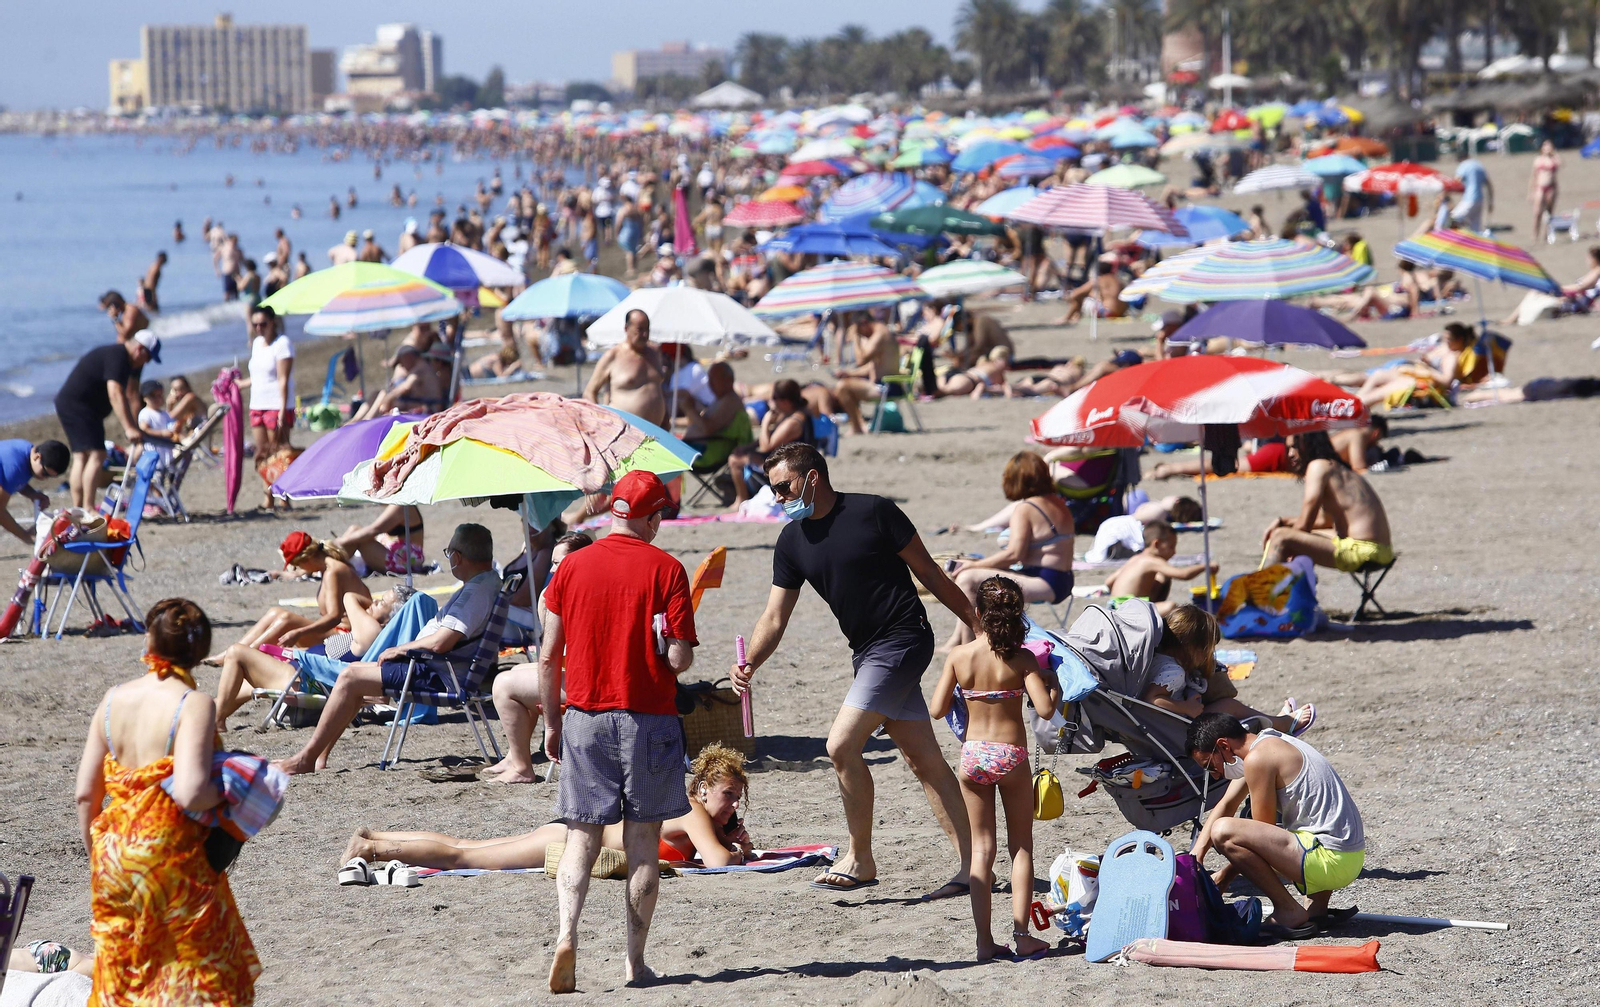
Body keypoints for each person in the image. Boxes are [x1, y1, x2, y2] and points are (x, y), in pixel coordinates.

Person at [732, 442, 976, 899]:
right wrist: (749, 663)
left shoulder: (875, 512)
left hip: (904, 639)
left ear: (812, 478)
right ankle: (974, 867)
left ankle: (860, 858)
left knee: (841, 745)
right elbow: (773, 617)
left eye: (783, 487)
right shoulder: (791, 541)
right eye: (773, 490)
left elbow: (932, 575)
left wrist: (980, 628)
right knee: (924, 760)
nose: (778, 497)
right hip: (866, 653)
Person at [539, 471, 697, 992]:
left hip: (584, 716)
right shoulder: (668, 569)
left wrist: (552, 721)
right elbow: (678, 660)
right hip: (647, 719)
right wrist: (662, 638)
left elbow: (548, 655)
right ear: (652, 517)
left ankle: (566, 934)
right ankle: (635, 963)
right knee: (643, 843)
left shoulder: (574, 565)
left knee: (580, 837)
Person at [74, 598, 259, 1003]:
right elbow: (192, 789)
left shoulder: (111, 699)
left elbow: (86, 794)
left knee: (128, 972)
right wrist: (229, 792)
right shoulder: (194, 703)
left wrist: (98, 856)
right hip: (166, 855)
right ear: (199, 652)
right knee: (203, 973)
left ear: (150, 641)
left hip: (114, 855)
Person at [342, 743, 753, 884]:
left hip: (570, 834)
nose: (732, 804)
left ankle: (375, 837)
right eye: (728, 794)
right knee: (465, 857)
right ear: (701, 788)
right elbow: (717, 865)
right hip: (568, 841)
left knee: (468, 847)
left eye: (737, 797)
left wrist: (727, 840)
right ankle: (373, 849)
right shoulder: (695, 809)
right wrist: (737, 852)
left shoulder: (691, 812)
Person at [275, 523, 502, 775]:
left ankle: (307, 757)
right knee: (354, 673)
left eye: (449, 553)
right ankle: (318, 756)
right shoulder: (487, 584)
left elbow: (441, 642)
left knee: (350, 676)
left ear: (457, 557)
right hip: (437, 668)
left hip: (436, 674)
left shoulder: (475, 594)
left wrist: (402, 648)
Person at [928, 577, 1058, 962]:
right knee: (1020, 848)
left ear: (979, 615)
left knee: (982, 849)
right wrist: (1051, 684)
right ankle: (1022, 935)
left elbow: (935, 710)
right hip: (1010, 754)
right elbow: (1046, 710)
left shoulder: (959, 656)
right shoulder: (1023, 658)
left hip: (973, 755)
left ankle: (984, 942)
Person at [1187, 712, 1365, 934]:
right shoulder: (1269, 743)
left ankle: (1288, 910)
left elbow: (1262, 837)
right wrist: (1195, 858)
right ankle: (1316, 909)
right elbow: (1227, 803)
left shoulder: (1258, 759)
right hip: (1349, 855)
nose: (1214, 776)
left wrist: (1224, 876)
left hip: (1331, 861)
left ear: (1223, 745)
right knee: (1300, 825)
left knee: (1223, 830)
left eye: (1209, 766)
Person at [210, 584, 419, 726]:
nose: (373, 602)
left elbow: (349, 596)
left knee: (237, 652)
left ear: (394, 617)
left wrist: (367, 606)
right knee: (235, 691)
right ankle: (212, 720)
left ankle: (217, 721)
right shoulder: (371, 631)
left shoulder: (372, 631)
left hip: (305, 680)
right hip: (299, 673)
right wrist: (378, 605)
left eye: (381, 603)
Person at [943, 452, 1075, 649]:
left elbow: (1015, 554)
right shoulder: (1058, 502)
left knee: (967, 578)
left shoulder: (1026, 508)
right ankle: (956, 642)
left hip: (1045, 582)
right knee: (970, 577)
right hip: (1062, 579)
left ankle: (971, 647)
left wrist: (975, 564)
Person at [207, 530, 369, 658]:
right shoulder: (329, 568)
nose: (299, 570)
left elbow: (333, 617)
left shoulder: (334, 572)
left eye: (297, 565)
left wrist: (299, 632)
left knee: (287, 619)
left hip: (347, 638)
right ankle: (232, 652)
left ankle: (241, 655)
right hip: (337, 633)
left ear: (307, 559)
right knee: (275, 612)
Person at [1261, 432, 1393, 574]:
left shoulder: (1318, 466)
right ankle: (1290, 587)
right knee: (1289, 535)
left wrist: (1282, 535)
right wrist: (1283, 522)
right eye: (1288, 449)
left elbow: (1305, 524)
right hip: (1382, 550)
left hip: (1363, 551)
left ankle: (1258, 590)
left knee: (1281, 537)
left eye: (1295, 447)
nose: (1291, 454)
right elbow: (1325, 521)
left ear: (1308, 444)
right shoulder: (1337, 467)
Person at [54, 331, 158, 509]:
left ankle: (79, 508)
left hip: (74, 405)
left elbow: (127, 394)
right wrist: (129, 427)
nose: (146, 363)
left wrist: (132, 425)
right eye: (148, 357)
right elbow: (116, 393)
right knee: (97, 455)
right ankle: (86, 508)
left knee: (82, 456)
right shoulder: (119, 357)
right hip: (80, 407)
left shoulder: (119, 357)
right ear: (140, 349)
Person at [727, 378, 811, 508]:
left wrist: (765, 422)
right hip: (782, 458)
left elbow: (766, 446)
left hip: (788, 465)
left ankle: (741, 499)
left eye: (774, 399)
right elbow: (770, 438)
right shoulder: (789, 414)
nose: (771, 402)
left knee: (734, 461)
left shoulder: (792, 422)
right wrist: (747, 447)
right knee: (739, 454)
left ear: (785, 402)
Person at [1105, 521, 1219, 615]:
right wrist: (1206, 566)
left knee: (1162, 576)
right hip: (1127, 611)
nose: (1174, 552)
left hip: (1113, 606)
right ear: (1157, 544)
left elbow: (1109, 581)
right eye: (1171, 547)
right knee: (1171, 607)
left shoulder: (1135, 559)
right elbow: (1183, 574)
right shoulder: (1152, 561)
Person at [583, 309, 668, 426]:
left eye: (647, 329)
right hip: (625, 432)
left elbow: (658, 389)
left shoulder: (655, 353)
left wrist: (666, 419)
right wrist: (601, 421)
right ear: (626, 328)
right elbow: (589, 392)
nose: (645, 334)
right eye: (640, 329)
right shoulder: (613, 356)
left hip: (656, 432)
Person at [242, 305, 294, 463]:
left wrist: (282, 410)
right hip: (257, 405)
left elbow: (282, 378)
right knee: (262, 454)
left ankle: (280, 488)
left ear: (272, 322)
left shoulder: (282, 343)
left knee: (277, 453)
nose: (258, 328)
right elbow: (259, 376)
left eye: (263, 324)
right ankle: (267, 488)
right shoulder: (257, 343)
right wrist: (239, 384)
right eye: (255, 324)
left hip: (275, 405)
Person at [0, 438, 67, 545]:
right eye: (45, 473)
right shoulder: (16, 467)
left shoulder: (27, 451)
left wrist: (32, 494)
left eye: (50, 477)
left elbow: (13, 480)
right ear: (37, 457)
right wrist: (26, 536)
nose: (45, 479)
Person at [336, 503, 427, 575]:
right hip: (400, 555)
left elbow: (374, 530)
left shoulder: (401, 505)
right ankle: (330, 561)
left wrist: (340, 541)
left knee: (359, 539)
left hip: (407, 563)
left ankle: (329, 563)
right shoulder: (398, 504)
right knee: (354, 529)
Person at [1451, 151, 1493, 234]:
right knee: (1475, 228)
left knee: (1453, 218)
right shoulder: (1479, 165)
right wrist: (1490, 202)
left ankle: (1455, 239)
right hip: (1480, 199)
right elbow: (1489, 185)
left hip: (1469, 198)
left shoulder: (1464, 165)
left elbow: (1456, 181)